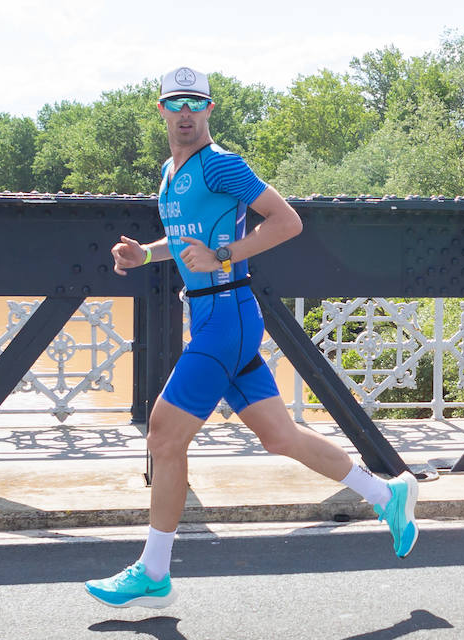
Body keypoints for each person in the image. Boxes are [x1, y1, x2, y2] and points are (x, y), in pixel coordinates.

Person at [86, 66, 418, 610]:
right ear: (163, 110)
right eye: (177, 103)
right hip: (217, 317)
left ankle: (154, 572)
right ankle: (388, 494)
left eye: (196, 102)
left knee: (164, 435)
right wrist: (146, 254)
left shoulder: (223, 165)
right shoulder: (171, 171)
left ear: (210, 109)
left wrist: (222, 255)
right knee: (281, 438)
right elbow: (184, 240)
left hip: (225, 317)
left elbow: (287, 222)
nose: (186, 112)